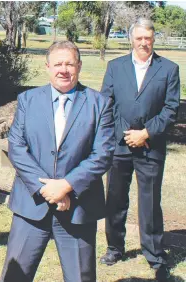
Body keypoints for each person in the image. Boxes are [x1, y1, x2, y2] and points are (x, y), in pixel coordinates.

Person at [0, 41, 115, 282]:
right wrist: (46, 188)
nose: (63, 69)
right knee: (14, 277)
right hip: (31, 207)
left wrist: (66, 185)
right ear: (48, 67)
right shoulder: (27, 100)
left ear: (79, 66)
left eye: (69, 63)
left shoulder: (99, 104)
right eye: (58, 64)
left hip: (78, 208)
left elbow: (102, 154)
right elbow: (17, 147)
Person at [100, 18, 180, 281]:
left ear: (153, 38)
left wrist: (146, 133)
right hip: (119, 145)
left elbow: (170, 109)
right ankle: (114, 247)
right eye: (139, 38)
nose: (144, 42)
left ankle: (155, 254)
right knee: (115, 199)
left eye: (148, 38)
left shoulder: (169, 69)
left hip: (150, 146)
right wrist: (127, 135)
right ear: (131, 39)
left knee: (150, 202)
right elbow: (107, 104)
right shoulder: (115, 67)